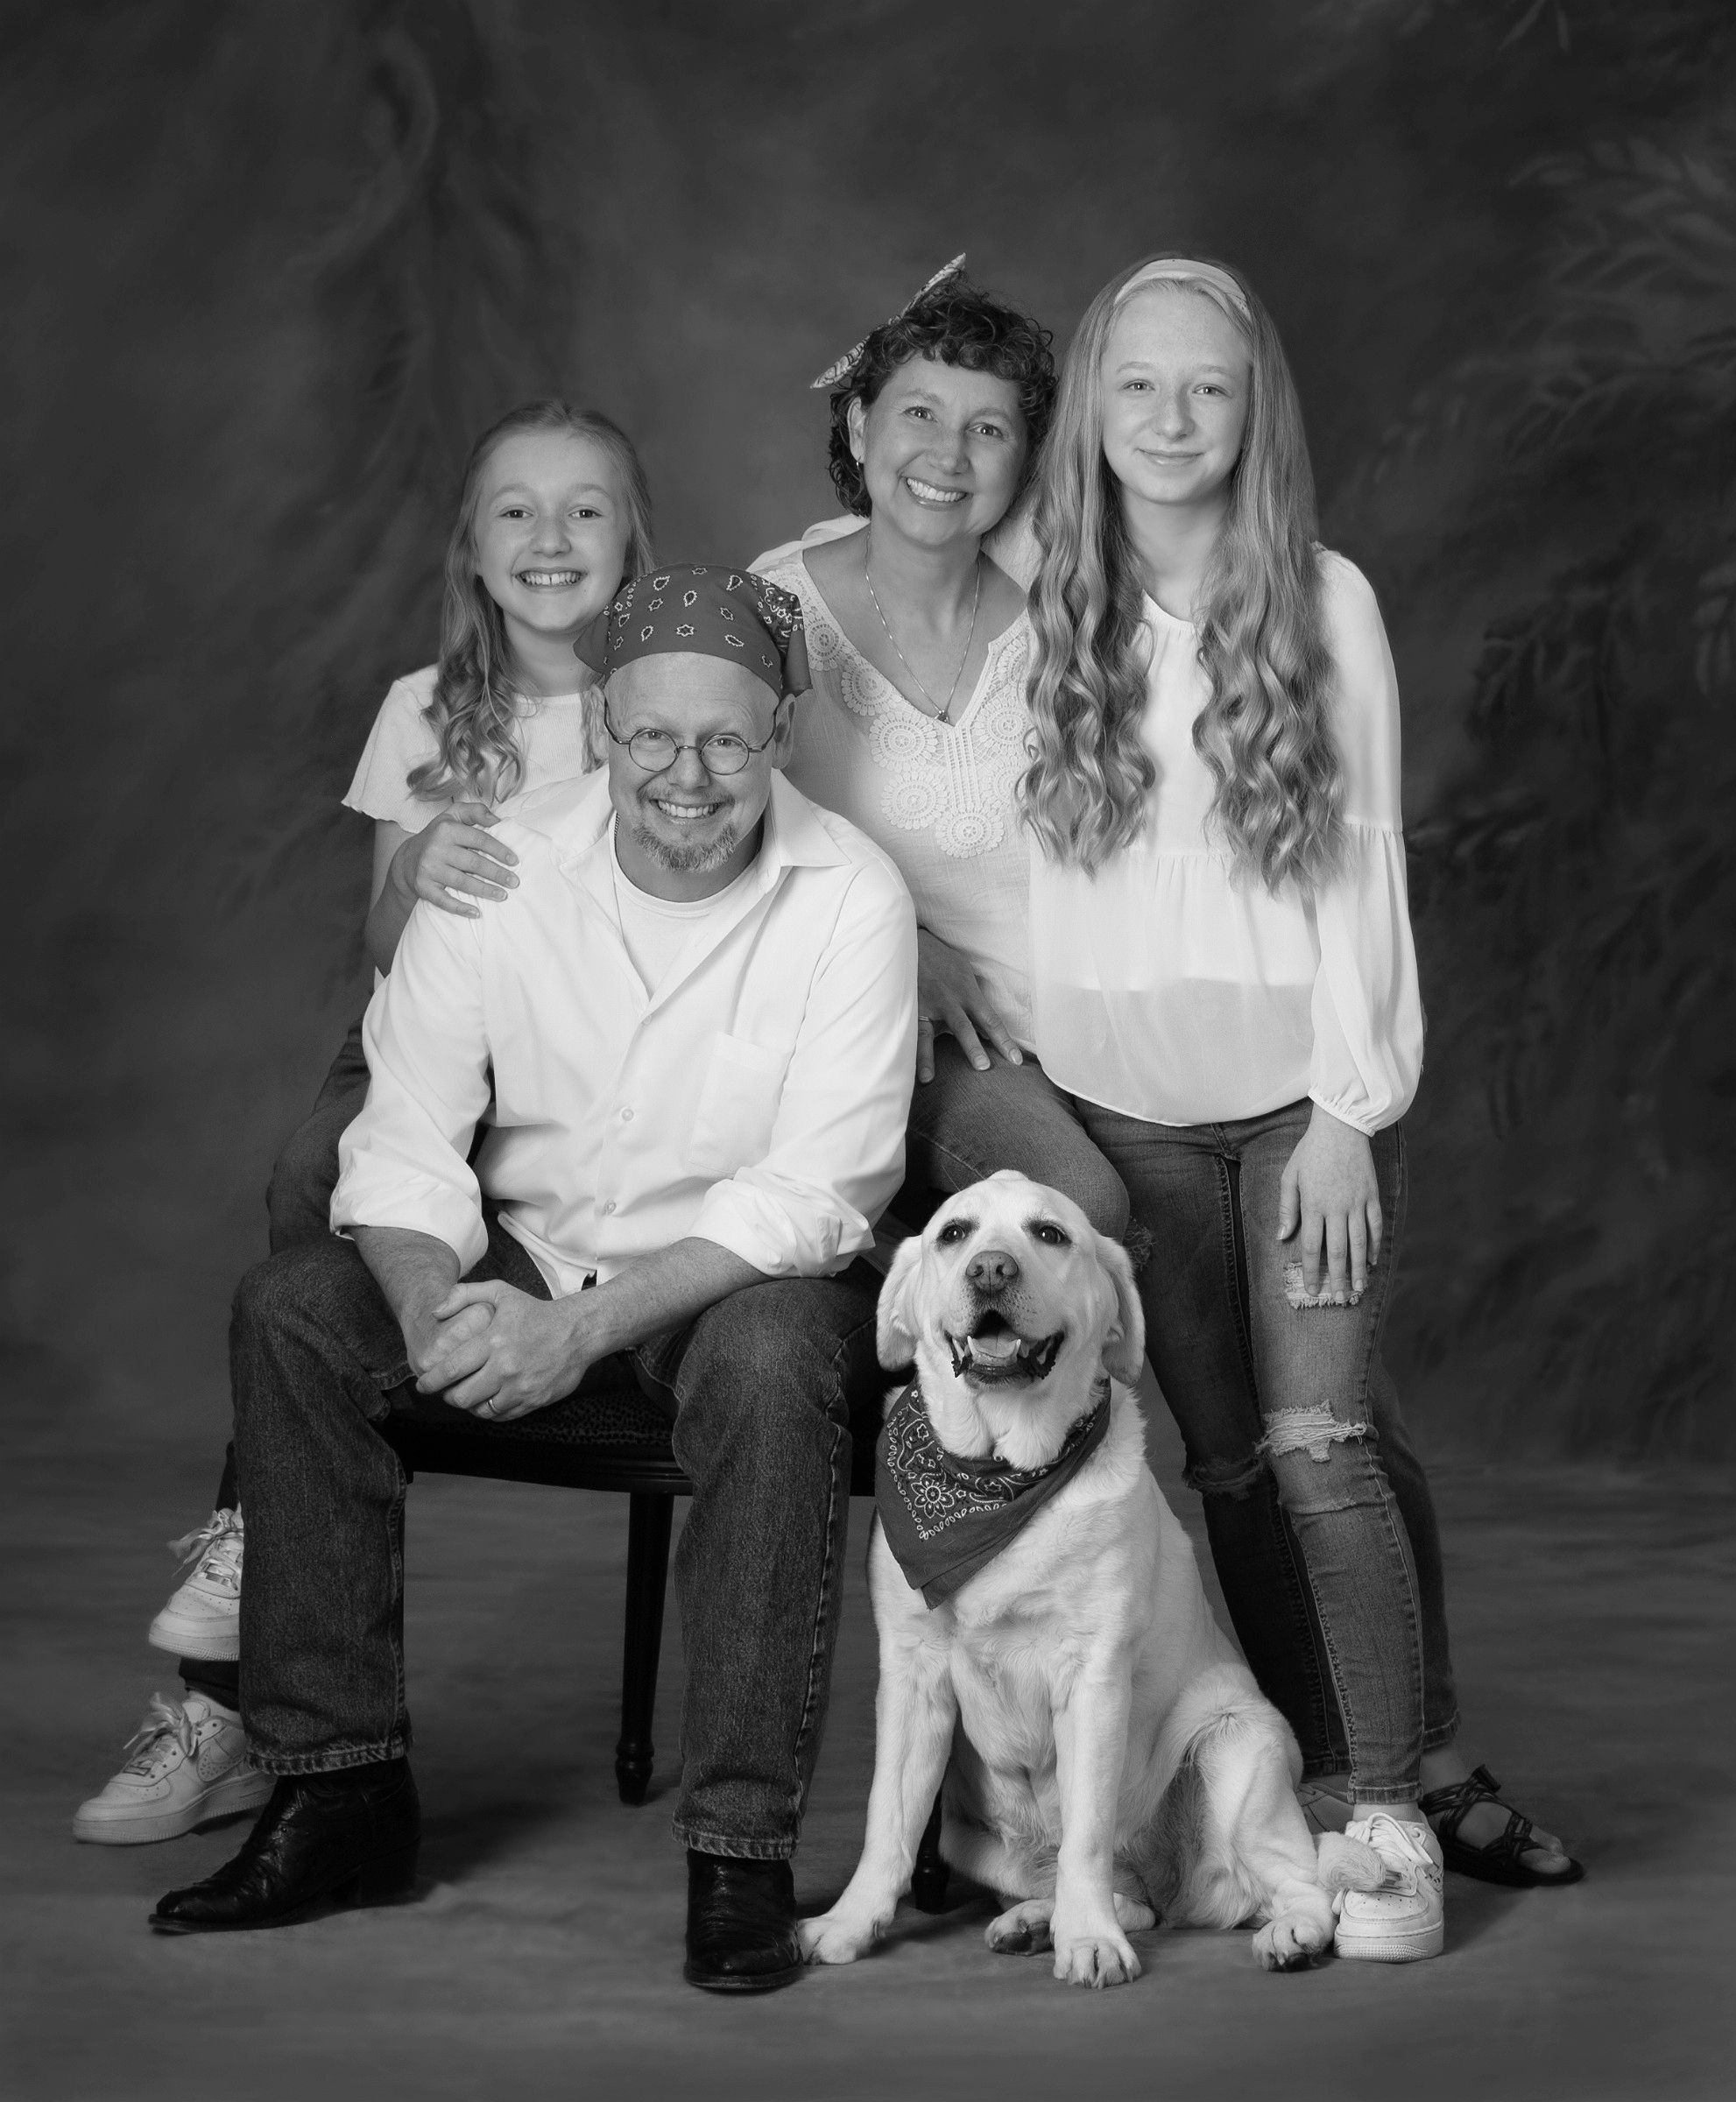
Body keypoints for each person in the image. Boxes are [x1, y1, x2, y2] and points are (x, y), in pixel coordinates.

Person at [147, 566, 917, 1994]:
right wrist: (435, 1309)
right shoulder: (498, 867)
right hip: (519, 1250)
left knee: (773, 1359)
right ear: (601, 732)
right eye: (651, 737)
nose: (686, 776)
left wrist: (577, 1332)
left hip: (724, 1282)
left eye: (726, 741)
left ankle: (739, 1851)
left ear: (780, 737)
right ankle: (338, 1795)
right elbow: (401, 1138)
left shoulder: (851, 899)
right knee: (295, 1313)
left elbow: (819, 1193)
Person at [1020, 255, 1583, 1961]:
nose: (1170, 418)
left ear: (1254, 407)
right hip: (1120, 1114)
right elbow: (860, 600)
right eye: (1135, 386)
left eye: (1207, 386)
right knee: (1232, 1466)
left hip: (1293, 1109)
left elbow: (1359, 870)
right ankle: (1368, 1770)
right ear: (1088, 413)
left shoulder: (1319, 599)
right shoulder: (1039, 593)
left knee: (1318, 1446)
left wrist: (1348, 1109)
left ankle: (1387, 1821)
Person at [74, 400, 655, 1847]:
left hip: (586, 1065)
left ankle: (283, 1575)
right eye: (515, 510)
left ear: (632, 539)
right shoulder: (428, 707)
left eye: (584, 509)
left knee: (383, 1236)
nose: (549, 538)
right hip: (428, 1039)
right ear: (472, 546)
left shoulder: (662, 691)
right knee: (308, 1177)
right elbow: (387, 944)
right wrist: (420, 872)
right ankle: (252, 1564)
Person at [752, 260, 1131, 1248]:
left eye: (988, 429)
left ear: (1023, 463)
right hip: (923, 1038)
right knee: (1072, 1212)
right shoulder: (772, 609)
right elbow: (722, 848)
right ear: (858, 427)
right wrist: (896, 944)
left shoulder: (1066, 618)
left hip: (1105, 1027)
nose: (948, 455)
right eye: (919, 413)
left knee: (1222, 1261)